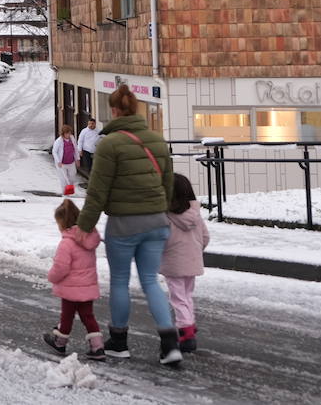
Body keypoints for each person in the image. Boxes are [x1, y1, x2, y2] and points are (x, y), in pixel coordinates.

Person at [76, 84, 181, 367]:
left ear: (114, 110)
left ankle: (119, 342)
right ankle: (170, 343)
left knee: (121, 281)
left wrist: (83, 226)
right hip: (157, 221)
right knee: (150, 281)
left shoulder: (109, 144)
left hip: (124, 224)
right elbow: (168, 184)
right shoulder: (158, 141)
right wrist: (162, 211)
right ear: (136, 109)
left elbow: (97, 192)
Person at [43, 198, 105, 360]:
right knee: (88, 315)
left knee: (67, 316)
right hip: (87, 287)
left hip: (70, 289)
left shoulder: (66, 243)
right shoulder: (87, 238)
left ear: (62, 223)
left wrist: (52, 277)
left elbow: (61, 267)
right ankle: (97, 347)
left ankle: (60, 342)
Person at [161, 173, 210, 354]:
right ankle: (190, 325)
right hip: (192, 261)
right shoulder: (195, 215)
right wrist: (196, 251)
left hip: (173, 263)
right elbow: (205, 237)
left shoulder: (166, 217)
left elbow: (162, 241)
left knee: (178, 299)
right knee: (187, 296)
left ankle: (186, 334)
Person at [51, 125, 78, 195]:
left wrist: (77, 159)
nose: (69, 135)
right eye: (67, 133)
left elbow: (75, 148)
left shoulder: (72, 138)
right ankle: (65, 193)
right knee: (63, 179)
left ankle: (69, 189)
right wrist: (58, 161)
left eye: (69, 133)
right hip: (62, 163)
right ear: (63, 133)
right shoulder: (59, 141)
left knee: (72, 177)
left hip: (71, 162)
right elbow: (54, 151)